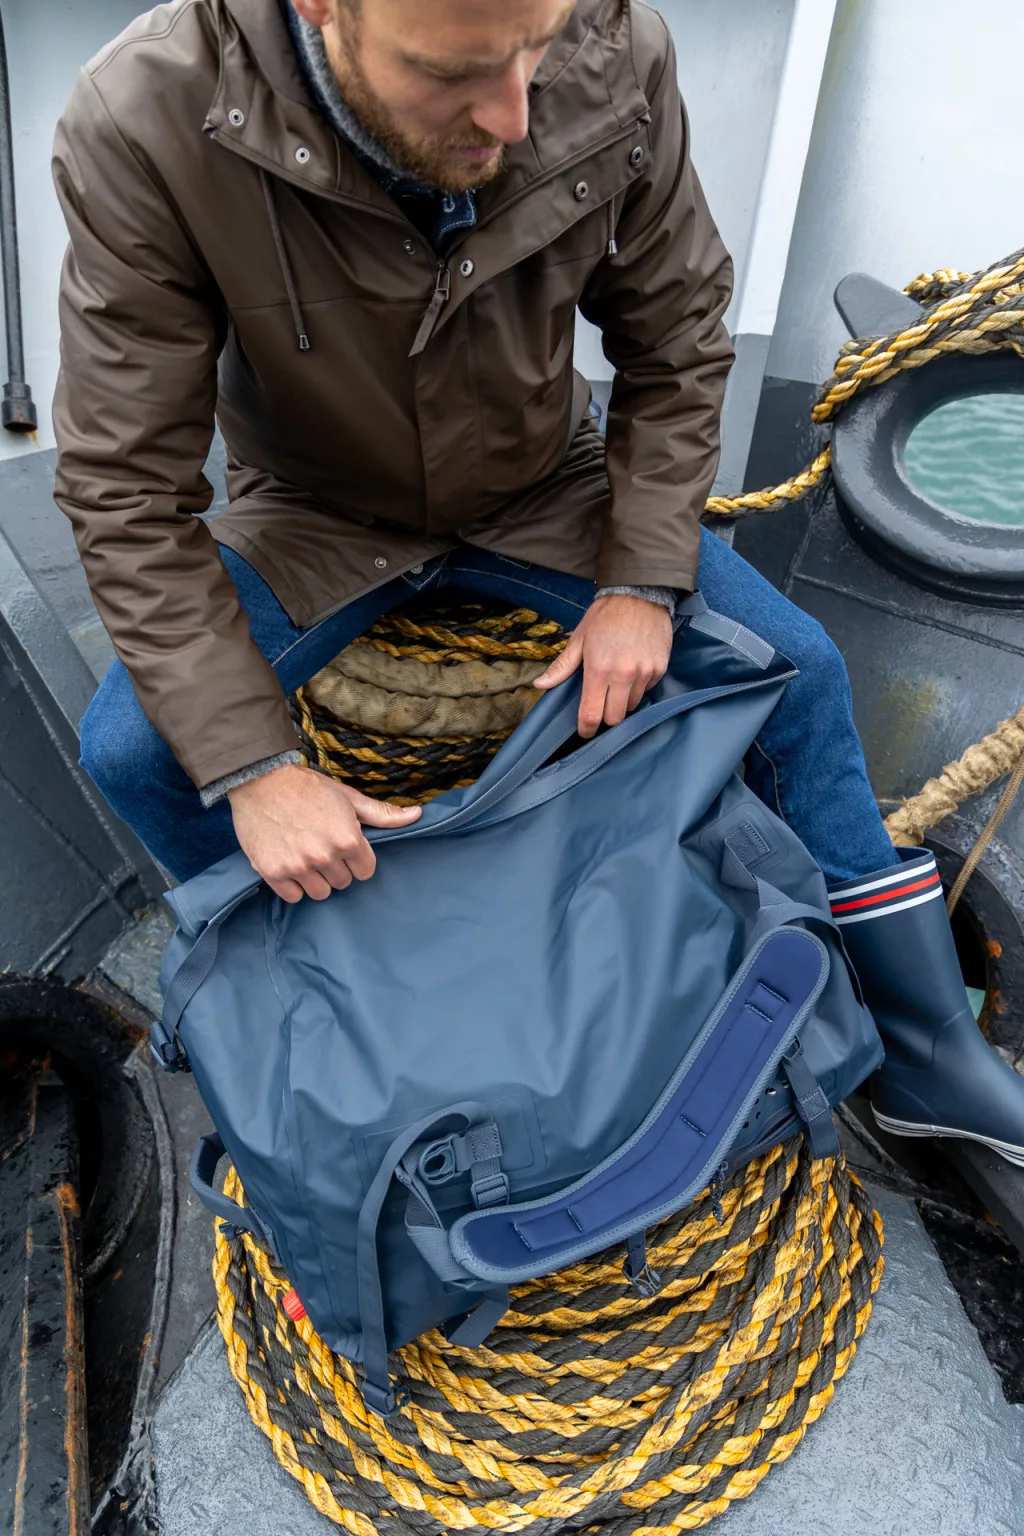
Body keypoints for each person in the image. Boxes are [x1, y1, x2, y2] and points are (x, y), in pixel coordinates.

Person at [52, 0, 1024, 1160]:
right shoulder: (148, 116)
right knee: (135, 752)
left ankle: (922, 1052)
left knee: (797, 672)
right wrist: (256, 769)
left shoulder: (618, 47)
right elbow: (124, 487)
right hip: (309, 516)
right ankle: (319, 1004)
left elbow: (677, 338)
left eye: (535, 50)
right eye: (456, 71)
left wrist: (643, 579)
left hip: (547, 489)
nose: (515, 114)